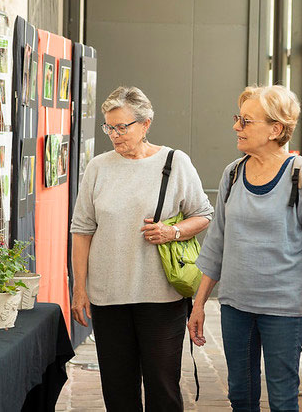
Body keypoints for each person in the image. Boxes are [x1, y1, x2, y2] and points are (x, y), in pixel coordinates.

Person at [188, 85, 302, 411]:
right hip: (235, 306)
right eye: (238, 119)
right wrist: (199, 303)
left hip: (284, 310)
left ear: (276, 129)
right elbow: (217, 243)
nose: (236, 127)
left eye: (246, 121)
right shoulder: (232, 174)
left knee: (283, 399)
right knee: (240, 395)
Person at [70, 86, 213, 411]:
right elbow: (82, 230)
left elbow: (204, 214)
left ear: (146, 123)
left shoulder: (175, 163)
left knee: (163, 389)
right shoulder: (98, 168)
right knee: (118, 391)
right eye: (109, 127)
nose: (115, 135)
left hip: (161, 298)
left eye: (123, 126)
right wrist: (80, 289)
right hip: (109, 298)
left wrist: (172, 231)